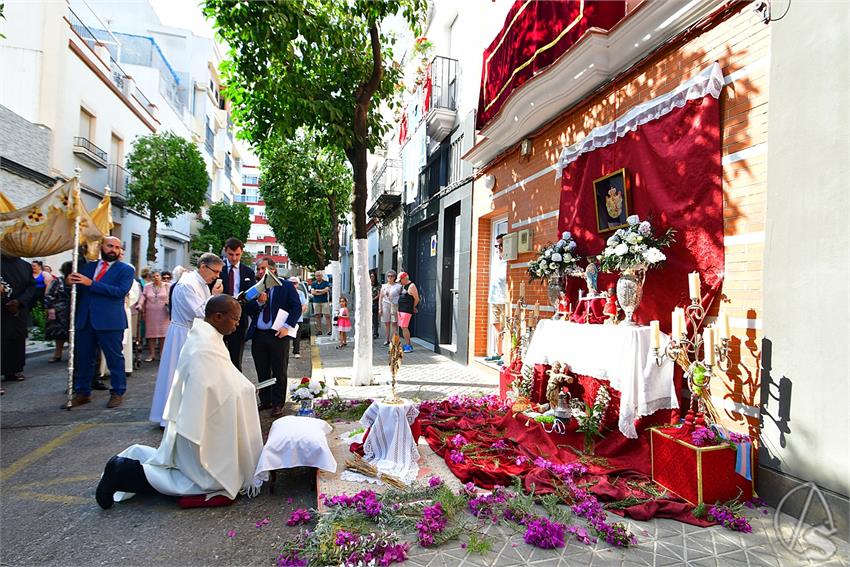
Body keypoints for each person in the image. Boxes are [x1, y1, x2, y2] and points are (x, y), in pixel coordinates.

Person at [94, 295, 263, 509]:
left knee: (195, 471)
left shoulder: (208, 336)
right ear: (218, 316)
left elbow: (223, 379)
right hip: (198, 425)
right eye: (236, 319)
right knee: (205, 480)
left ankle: (127, 469)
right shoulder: (204, 345)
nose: (238, 324)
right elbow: (208, 388)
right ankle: (123, 472)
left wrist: (244, 387)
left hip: (200, 416)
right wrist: (244, 390)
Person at [149, 253, 224, 425]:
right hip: (183, 334)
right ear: (203, 266)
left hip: (191, 331)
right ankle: (171, 417)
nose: (217, 276)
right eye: (216, 271)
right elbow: (200, 312)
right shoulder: (187, 284)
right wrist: (214, 297)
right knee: (177, 375)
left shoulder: (200, 282)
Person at [68, 237, 135, 408]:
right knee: (84, 358)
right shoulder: (88, 267)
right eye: (110, 246)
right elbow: (80, 289)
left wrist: (92, 283)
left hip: (110, 321)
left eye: (117, 247)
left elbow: (119, 292)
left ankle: (117, 391)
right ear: (101, 247)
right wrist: (69, 282)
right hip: (86, 320)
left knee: (114, 358)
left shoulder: (125, 270)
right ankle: (82, 392)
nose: (113, 249)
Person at [245, 258, 301, 418]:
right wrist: (259, 303)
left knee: (279, 370)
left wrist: (287, 326)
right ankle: (265, 400)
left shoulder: (286, 286)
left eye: (263, 268)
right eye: (258, 269)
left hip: (278, 334)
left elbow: (296, 307)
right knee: (262, 369)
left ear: (273, 270)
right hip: (259, 335)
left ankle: (278, 404)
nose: (260, 272)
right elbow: (247, 308)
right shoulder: (256, 289)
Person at [220, 238, 256, 371]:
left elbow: (251, 296)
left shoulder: (248, 272)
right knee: (218, 358)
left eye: (237, 255)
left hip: (239, 320)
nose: (234, 258)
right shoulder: (219, 269)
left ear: (242, 253)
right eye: (230, 254)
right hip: (219, 319)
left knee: (236, 359)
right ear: (225, 252)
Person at [1, 254, 36, 382]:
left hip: (19, 308)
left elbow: (31, 286)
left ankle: (14, 370)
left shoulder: (25, 265)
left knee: (17, 338)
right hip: (2, 308)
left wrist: (19, 302)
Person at [137, 269, 170, 361]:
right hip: (151, 312)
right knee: (151, 334)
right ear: (150, 278)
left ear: (160, 276)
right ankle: (152, 354)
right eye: (153, 276)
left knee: (163, 334)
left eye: (157, 276)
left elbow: (172, 297)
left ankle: (162, 353)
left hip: (164, 312)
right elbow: (143, 297)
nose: (155, 278)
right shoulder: (147, 287)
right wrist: (140, 304)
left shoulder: (167, 286)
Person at [44, 263, 72, 362]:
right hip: (60, 312)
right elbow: (49, 295)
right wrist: (50, 308)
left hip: (74, 311)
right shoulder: (58, 281)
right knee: (59, 334)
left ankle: (73, 355)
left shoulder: (79, 281)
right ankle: (57, 354)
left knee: (73, 334)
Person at [396, 271, 419, 353]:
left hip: (406, 310)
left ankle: (408, 345)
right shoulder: (403, 286)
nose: (399, 282)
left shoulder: (411, 286)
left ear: (405, 278)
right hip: (401, 310)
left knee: (404, 327)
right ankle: (407, 344)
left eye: (400, 280)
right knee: (402, 327)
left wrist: (413, 307)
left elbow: (416, 299)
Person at [379, 270, 402, 346]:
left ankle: (394, 340)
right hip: (385, 305)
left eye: (391, 276)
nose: (389, 277)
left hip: (394, 305)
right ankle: (387, 339)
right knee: (387, 323)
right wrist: (380, 308)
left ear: (394, 277)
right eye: (388, 276)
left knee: (394, 323)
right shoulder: (384, 286)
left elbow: (402, 295)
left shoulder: (398, 286)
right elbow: (381, 297)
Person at [289, 276, 308, 359]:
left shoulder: (301, 293)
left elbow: (304, 305)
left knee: (297, 336)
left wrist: (298, 312)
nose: (293, 285)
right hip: (288, 317)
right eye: (291, 283)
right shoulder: (286, 293)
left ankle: (296, 351)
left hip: (298, 318)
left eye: (295, 283)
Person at [309, 270, 332, 336]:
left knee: (327, 316)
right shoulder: (313, 283)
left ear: (321, 276)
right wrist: (321, 292)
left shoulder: (326, 283)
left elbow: (326, 290)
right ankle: (319, 330)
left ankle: (329, 330)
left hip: (324, 301)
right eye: (316, 276)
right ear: (315, 276)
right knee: (317, 316)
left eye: (319, 275)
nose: (318, 277)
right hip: (316, 301)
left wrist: (317, 291)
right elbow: (313, 292)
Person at [370, 270, 380, 339]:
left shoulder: (378, 285)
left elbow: (379, 294)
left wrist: (372, 299)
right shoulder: (367, 284)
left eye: (373, 276)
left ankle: (375, 333)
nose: (372, 278)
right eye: (371, 276)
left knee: (375, 319)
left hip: (375, 303)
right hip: (368, 304)